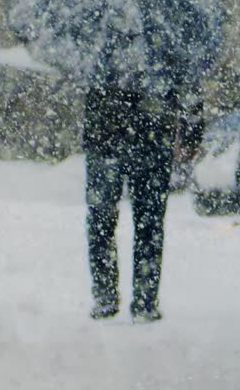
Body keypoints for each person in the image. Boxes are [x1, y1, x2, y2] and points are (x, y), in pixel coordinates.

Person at [83, 80, 200, 323]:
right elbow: (187, 78)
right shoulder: (163, 53)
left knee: (103, 220)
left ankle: (108, 295)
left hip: (110, 133)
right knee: (147, 224)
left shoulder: (101, 52)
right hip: (150, 135)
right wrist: (191, 130)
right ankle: (143, 299)